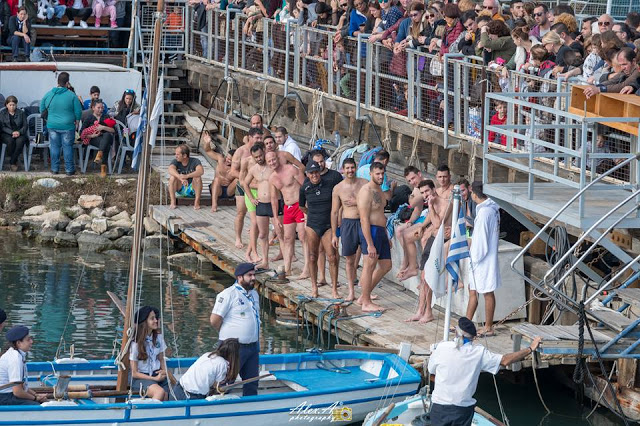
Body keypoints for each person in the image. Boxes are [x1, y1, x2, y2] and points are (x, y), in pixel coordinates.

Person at [428, 317, 542, 425]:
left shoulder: (442, 347)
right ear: (473, 337)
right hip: (462, 409)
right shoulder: (479, 353)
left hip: (439, 407)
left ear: (456, 333)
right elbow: (505, 360)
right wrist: (530, 348)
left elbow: (431, 371)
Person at [210, 263, 261, 396]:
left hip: (252, 347)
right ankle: (218, 407)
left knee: (252, 382)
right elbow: (214, 320)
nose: (253, 278)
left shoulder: (254, 294)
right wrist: (227, 334)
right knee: (227, 381)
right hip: (234, 347)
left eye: (254, 275)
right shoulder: (228, 294)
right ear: (239, 277)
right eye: (249, 275)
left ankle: (250, 408)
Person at [406, 180, 448, 323]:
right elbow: (431, 218)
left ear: (433, 189)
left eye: (427, 192)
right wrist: (423, 226)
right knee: (423, 278)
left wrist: (430, 205)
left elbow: (437, 223)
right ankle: (420, 310)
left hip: (441, 241)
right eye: (423, 193)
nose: (425, 195)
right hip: (433, 240)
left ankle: (428, 312)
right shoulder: (433, 203)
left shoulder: (445, 203)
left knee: (428, 277)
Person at [300, 161, 343, 299]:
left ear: (320, 172)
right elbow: (301, 206)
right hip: (313, 224)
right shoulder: (304, 188)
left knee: (332, 257)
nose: (314, 175)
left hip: (328, 225)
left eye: (316, 172)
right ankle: (314, 287)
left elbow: (338, 202)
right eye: (311, 173)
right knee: (312, 256)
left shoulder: (329, 184)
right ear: (307, 174)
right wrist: (312, 214)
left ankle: (334, 289)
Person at [466, 182, 501, 337]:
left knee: (487, 292)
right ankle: (466, 322)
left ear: (474, 194)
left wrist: (474, 257)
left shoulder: (486, 212)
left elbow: (481, 240)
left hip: (483, 259)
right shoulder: (490, 210)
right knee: (473, 290)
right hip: (484, 256)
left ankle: (488, 326)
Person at [357, 161, 391, 312]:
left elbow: (381, 214)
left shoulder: (379, 189)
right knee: (369, 265)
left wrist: (386, 235)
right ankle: (366, 302)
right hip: (370, 231)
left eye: (382, 173)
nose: (380, 176)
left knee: (386, 265)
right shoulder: (366, 191)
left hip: (380, 231)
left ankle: (364, 296)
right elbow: (364, 218)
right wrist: (370, 244)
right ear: (370, 174)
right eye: (377, 174)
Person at [331, 158, 367, 302]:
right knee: (349, 260)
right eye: (347, 168)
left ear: (356, 167)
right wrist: (334, 234)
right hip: (348, 223)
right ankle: (351, 291)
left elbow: (373, 203)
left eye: (352, 167)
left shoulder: (364, 184)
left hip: (364, 222)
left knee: (368, 258)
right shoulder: (338, 188)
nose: (350, 171)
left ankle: (366, 291)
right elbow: (334, 212)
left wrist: (357, 201)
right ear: (343, 170)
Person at [268, 151, 307, 278]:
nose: (272, 162)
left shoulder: (291, 169)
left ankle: (307, 268)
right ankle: (288, 268)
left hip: (300, 206)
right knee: (288, 238)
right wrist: (275, 217)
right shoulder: (272, 178)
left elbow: (306, 186)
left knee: (302, 236)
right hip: (287, 208)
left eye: (274, 159)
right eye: (269, 161)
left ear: (277, 158)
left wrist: (307, 208)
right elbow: (274, 199)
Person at [244, 143, 282, 270]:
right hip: (261, 203)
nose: (259, 158)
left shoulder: (272, 165)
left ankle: (286, 259)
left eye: (260, 155)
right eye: (256, 157)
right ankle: (265, 261)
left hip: (275, 202)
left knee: (280, 233)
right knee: (262, 234)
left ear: (264, 152)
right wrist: (251, 198)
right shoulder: (254, 169)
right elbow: (245, 183)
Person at [40, 72, 83, 176]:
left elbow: (42, 108)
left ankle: (55, 169)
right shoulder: (72, 95)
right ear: (67, 83)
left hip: (52, 125)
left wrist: (49, 120)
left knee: (54, 147)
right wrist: (77, 121)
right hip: (68, 126)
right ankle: (69, 170)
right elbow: (78, 111)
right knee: (67, 147)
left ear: (57, 82)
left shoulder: (48, 94)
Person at [172, 338, 240, 400]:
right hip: (192, 395)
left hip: (178, 388)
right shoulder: (222, 364)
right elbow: (217, 387)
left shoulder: (208, 354)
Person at [230, 127, 263, 250]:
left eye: (261, 137)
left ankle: (257, 237)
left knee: (259, 214)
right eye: (257, 138)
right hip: (242, 184)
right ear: (250, 137)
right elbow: (232, 171)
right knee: (241, 212)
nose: (259, 140)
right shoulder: (241, 151)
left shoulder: (262, 150)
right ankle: (238, 237)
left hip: (258, 186)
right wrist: (246, 180)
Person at [129, 306, 169, 401]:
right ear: (144, 322)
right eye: (152, 319)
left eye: (156, 318)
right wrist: (154, 379)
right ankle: (146, 414)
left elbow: (161, 358)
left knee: (168, 395)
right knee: (159, 392)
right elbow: (134, 373)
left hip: (157, 374)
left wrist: (164, 371)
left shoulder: (158, 338)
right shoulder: (135, 343)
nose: (156, 320)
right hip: (141, 378)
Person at [0, 326, 45, 405]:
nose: (32, 341)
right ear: (18, 343)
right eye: (28, 340)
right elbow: (17, 392)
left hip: (8, 394)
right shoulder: (15, 359)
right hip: (4, 397)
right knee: (37, 406)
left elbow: (22, 385)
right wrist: (36, 399)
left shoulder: (16, 354)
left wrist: (36, 395)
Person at [80, 99, 115, 178]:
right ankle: (103, 167)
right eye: (98, 108)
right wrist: (92, 136)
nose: (100, 110)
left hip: (105, 137)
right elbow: (81, 133)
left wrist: (103, 127)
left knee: (107, 136)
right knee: (106, 144)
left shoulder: (106, 117)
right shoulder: (89, 118)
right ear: (93, 108)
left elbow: (113, 130)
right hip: (94, 139)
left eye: (102, 108)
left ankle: (100, 153)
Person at [203, 134, 236, 213]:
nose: (227, 160)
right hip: (217, 189)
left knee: (238, 179)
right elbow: (208, 151)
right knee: (217, 179)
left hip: (229, 191)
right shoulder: (220, 158)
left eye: (230, 160)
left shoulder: (236, 167)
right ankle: (214, 204)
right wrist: (207, 142)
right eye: (227, 158)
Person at [168, 144, 204, 210]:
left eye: (178, 154)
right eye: (175, 154)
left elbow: (201, 171)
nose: (176, 156)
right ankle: (173, 202)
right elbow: (170, 169)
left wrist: (187, 176)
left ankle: (197, 202)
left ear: (184, 155)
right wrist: (180, 177)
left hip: (192, 189)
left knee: (197, 177)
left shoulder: (195, 161)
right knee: (172, 178)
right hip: (180, 188)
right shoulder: (175, 161)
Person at [0, 96, 28, 172]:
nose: (12, 107)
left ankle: (12, 161)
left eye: (14, 105)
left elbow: (25, 125)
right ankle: (14, 160)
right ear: (6, 105)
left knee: (20, 141)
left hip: (20, 133)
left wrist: (19, 132)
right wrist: (12, 132)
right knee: (10, 141)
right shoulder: (2, 113)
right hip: (7, 133)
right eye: (10, 105)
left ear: (16, 105)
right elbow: (2, 127)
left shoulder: (21, 113)